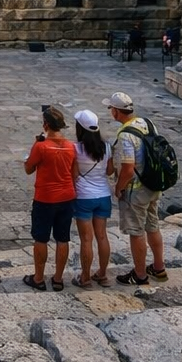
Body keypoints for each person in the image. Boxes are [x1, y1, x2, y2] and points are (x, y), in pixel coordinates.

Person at [106, 91, 169, 285]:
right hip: (153, 184)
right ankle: (159, 268)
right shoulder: (147, 123)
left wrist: (118, 188)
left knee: (137, 232)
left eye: (111, 109)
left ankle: (140, 275)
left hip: (136, 189)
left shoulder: (125, 135)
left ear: (116, 111)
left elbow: (128, 168)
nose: (111, 112)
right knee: (153, 226)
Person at [22, 104, 76, 291]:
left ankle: (38, 278)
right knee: (63, 238)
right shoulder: (70, 147)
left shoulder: (41, 146)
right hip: (66, 197)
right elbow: (74, 173)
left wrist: (34, 146)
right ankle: (58, 279)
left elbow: (29, 169)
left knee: (41, 238)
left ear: (45, 125)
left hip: (45, 198)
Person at [71, 108, 112, 288]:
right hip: (103, 195)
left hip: (84, 197)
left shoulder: (76, 149)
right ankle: (102, 274)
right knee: (102, 236)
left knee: (86, 239)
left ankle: (85, 277)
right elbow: (110, 171)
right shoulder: (107, 147)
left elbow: (73, 175)